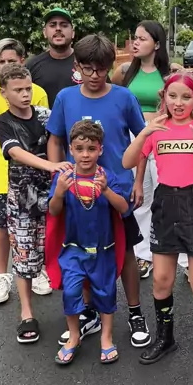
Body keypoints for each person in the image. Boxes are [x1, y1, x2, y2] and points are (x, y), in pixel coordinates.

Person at [47, 33, 152, 350]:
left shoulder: (123, 97)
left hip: (116, 191)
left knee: (127, 252)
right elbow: (55, 139)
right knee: (83, 250)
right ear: (77, 66)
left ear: (111, 65)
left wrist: (138, 181)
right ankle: (90, 312)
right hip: (78, 195)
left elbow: (143, 141)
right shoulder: (65, 97)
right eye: (88, 68)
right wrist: (57, 173)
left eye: (102, 69)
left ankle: (135, 312)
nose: (95, 75)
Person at [122, 71, 193, 371]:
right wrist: (144, 133)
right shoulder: (156, 126)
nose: (179, 103)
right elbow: (127, 161)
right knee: (161, 279)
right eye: (173, 96)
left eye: (186, 97)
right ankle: (165, 338)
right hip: (165, 203)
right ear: (164, 97)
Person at [0, 38, 51, 303]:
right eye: (1, 61)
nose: (5, 65)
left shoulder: (36, 92)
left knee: (36, 223)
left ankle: (37, 269)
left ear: (22, 61)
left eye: (11, 61)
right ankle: (1, 275)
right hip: (1, 168)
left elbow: (46, 131)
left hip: (35, 173)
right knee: (2, 222)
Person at [0, 64, 70, 343]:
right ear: (4, 92)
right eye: (18, 90)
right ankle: (26, 313)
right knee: (24, 254)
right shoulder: (2, 122)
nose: (25, 95)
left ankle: (75, 308)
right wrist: (50, 165)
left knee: (64, 248)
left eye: (28, 89)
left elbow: (64, 139)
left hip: (54, 192)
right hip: (22, 198)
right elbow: (15, 152)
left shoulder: (46, 115)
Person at [49, 121, 129, 366]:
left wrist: (106, 191)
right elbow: (53, 211)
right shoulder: (64, 178)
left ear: (100, 150)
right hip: (73, 249)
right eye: (79, 148)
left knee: (105, 293)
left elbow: (123, 208)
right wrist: (59, 192)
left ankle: (106, 338)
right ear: (71, 149)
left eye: (91, 149)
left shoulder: (107, 176)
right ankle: (74, 336)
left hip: (103, 250)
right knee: (71, 292)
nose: (85, 154)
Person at [112, 20, 183, 279]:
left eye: (142, 38)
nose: (136, 43)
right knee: (140, 197)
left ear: (157, 44)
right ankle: (143, 255)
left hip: (164, 137)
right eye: (135, 38)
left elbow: (190, 97)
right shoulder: (123, 72)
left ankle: (183, 256)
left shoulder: (171, 72)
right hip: (135, 137)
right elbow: (113, 97)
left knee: (171, 196)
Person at [26, 7, 80, 108]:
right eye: (52, 25)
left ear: (72, 32)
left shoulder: (86, 62)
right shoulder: (32, 66)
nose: (58, 28)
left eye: (64, 25)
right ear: (44, 32)